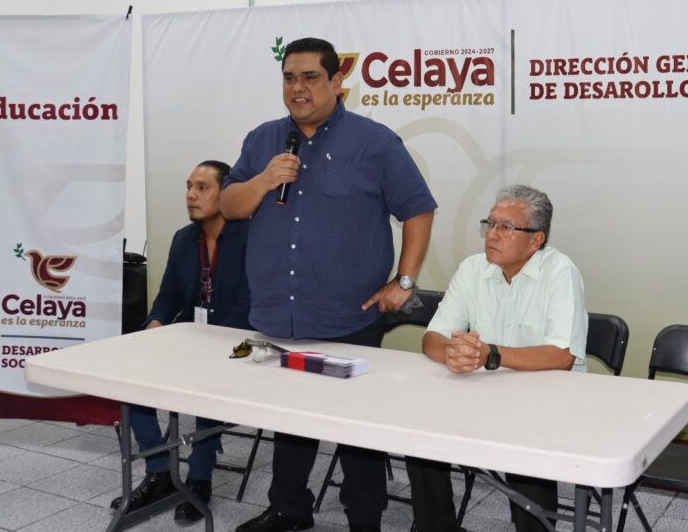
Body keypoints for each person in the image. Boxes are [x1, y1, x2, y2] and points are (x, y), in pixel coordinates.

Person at [221, 37, 437, 532]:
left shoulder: (374, 142)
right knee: (289, 420)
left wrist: (404, 281)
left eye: (310, 77)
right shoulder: (262, 140)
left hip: (348, 317)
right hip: (279, 314)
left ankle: (364, 520)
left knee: (355, 429)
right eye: (289, 78)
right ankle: (289, 510)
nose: (297, 88)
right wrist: (264, 179)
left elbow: (418, 209)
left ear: (337, 82)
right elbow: (230, 206)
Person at [405, 185, 587, 532]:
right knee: (420, 432)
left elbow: (562, 355)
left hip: (546, 403)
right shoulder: (472, 269)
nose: (492, 234)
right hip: (484, 395)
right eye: (490, 224)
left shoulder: (560, 273)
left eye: (506, 227)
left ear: (536, 241)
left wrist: (490, 354)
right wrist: (453, 352)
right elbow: (432, 337)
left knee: (526, 447)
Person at [109, 160, 251, 524]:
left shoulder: (251, 237)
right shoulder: (183, 239)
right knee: (130, 380)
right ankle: (159, 471)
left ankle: (199, 479)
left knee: (208, 382)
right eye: (189, 186)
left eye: (202, 187)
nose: (191, 195)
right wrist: (156, 323)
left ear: (227, 193)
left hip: (241, 342)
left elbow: (252, 304)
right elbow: (169, 295)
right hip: (192, 336)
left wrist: (208, 344)